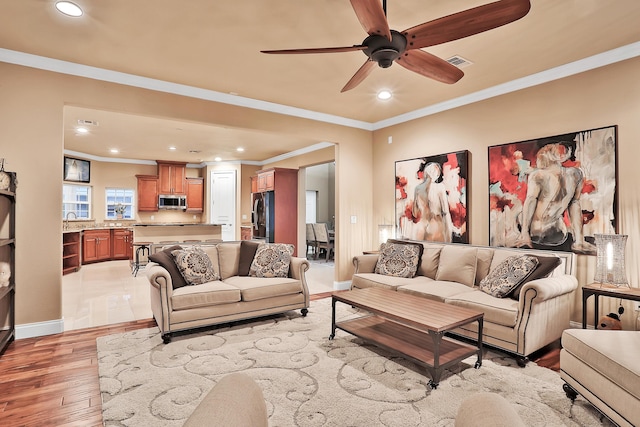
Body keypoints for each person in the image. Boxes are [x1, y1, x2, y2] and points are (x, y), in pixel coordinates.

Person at [515, 143, 595, 253]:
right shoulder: (576, 174)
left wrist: (524, 233)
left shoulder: (538, 175)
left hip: (534, 232)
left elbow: (530, 201)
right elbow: (574, 204)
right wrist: (579, 240)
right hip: (557, 234)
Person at [412, 162, 453, 242]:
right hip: (436, 227)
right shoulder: (440, 187)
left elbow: (415, 213)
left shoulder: (417, 188)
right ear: (436, 175)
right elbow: (445, 212)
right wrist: (449, 235)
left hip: (421, 228)